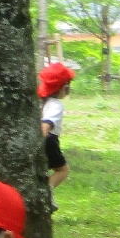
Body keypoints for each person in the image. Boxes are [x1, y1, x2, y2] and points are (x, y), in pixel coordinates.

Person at [38, 61, 74, 194]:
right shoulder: (55, 105)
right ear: (65, 88)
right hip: (49, 141)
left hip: (41, 140)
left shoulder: (39, 101)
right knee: (63, 170)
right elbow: (46, 126)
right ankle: (45, 192)